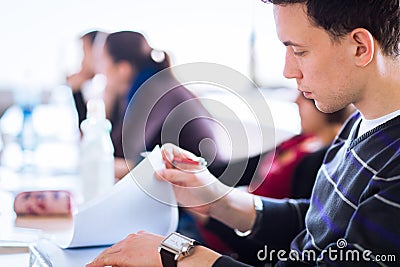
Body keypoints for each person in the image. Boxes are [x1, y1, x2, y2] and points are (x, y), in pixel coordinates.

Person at [86, 0, 400, 266]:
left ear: (360, 47)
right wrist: (218, 199)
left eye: (299, 51)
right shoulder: (358, 124)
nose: (288, 71)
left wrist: (180, 256)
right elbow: (317, 226)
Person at [196, 93, 355, 265]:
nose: (295, 101)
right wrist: (196, 168)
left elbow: (290, 235)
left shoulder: (324, 159)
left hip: (246, 236)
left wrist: (210, 217)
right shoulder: (299, 141)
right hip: (237, 216)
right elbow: (238, 170)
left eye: (304, 96)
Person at [101, 31, 225, 180]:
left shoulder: (153, 88)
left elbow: (121, 155)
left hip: (202, 183)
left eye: (103, 63)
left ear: (122, 69)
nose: (101, 73)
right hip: (187, 181)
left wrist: (108, 97)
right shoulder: (152, 82)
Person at [66, 30, 108, 126]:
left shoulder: (109, 86)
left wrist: (77, 92)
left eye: (84, 52)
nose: (82, 62)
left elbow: (93, 133)